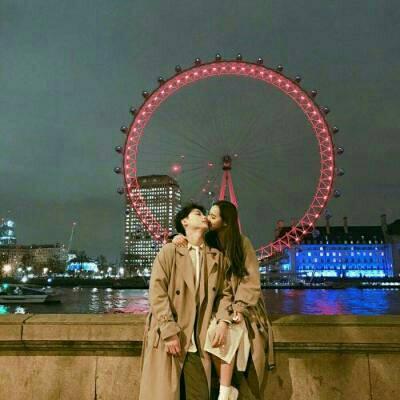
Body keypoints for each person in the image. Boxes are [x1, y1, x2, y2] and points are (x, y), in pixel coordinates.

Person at [173, 200, 275, 399]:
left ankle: (225, 391)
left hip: (244, 305)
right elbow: (191, 243)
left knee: (227, 332)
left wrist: (239, 308)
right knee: (213, 333)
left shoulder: (242, 243)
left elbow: (250, 281)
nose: (207, 218)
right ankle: (227, 390)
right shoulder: (208, 241)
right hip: (219, 303)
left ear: (226, 222)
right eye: (207, 215)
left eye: (212, 216)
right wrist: (176, 237)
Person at [139, 203, 232, 400]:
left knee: (200, 394)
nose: (204, 216)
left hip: (198, 340)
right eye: (198, 213)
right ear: (185, 222)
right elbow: (157, 291)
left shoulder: (217, 257)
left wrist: (223, 321)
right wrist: (168, 330)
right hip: (171, 337)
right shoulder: (169, 252)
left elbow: (225, 294)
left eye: (205, 214)